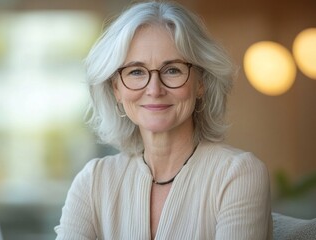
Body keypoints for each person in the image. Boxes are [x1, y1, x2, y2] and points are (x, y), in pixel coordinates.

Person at [55, 1, 272, 239]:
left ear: (201, 83)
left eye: (172, 70)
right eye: (136, 72)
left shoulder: (237, 174)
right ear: (116, 88)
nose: (154, 89)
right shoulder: (94, 180)